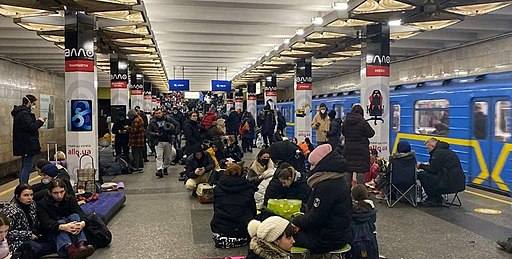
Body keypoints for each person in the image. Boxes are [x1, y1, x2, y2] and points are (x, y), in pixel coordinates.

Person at [292, 144, 352, 254]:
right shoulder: (338, 179)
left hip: (326, 239)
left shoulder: (326, 186)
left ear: (321, 165)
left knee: (283, 237)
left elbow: (314, 219)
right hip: (338, 235)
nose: (310, 168)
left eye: (313, 165)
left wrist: (295, 221)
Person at [37, 179, 95, 259]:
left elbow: (80, 213)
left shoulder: (70, 199)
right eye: (55, 193)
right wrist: (63, 227)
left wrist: (82, 223)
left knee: (75, 216)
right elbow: (46, 223)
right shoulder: (42, 204)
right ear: (49, 192)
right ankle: (70, 249)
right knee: (60, 222)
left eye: (62, 192)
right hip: (55, 232)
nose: (59, 196)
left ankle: (81, 245)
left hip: (73, 229)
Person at [210, 164, 257, 249]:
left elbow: (215, 209)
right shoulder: (248, 190)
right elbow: (253, 210)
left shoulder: (217, 189)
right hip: (241, 230)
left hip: (220, 229)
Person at [1, 184, 54, 257]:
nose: (30, 198)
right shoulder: (10, 211)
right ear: (17, 196)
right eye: (25, 195)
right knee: (34, 248)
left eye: (31, 195)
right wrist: (28, 235)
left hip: (35, 236)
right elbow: (7, 233)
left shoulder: (32, 205)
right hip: (17, 242)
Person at [417, 138, 466, 206]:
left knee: (422, 175)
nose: (427, 150)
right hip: (458, 183)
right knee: (430, 176)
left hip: (449, 184)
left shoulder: (438, 153)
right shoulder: (445, 150)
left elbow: (433, 170)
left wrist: (420, 166)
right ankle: (437, 197)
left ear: (432, 146)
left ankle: (433, 199)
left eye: (427, 148)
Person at [11, 94, 46, 184]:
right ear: (29, 103)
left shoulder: (21, 113)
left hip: (24, 144)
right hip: (27, 145)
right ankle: (24, 186)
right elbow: (31, 127)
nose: (34, 106)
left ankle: (22, 186)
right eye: (33, 103)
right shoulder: (24, 114)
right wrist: (40, 121)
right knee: (27, 166)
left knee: (24, 166)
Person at [342, 104, 375, 186]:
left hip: (348, 150)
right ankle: (361, 191)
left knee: (348, 169)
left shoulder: (346, 121)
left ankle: (346, 191)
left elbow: (343, 132)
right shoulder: (362, 122)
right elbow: (371, 133)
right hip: (361, 150)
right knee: (360, 170)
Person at [351, 184, 379, 259]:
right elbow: (373, 220)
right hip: (369, 235)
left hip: (354, 236)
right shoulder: (371, 208)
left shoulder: (351, 209)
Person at [147, 108, 177, 178]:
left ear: (162, 113)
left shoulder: (168, 118)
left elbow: (177, 124)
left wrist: (174, 132)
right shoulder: (152, 121)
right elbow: (149, 131)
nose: (158, 115)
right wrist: (155, 134)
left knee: (168, 157)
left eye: (159, 113)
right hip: (158, 141)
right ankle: (159, 170)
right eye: (156, 113)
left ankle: (165, 167)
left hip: (168, 140)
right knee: (159, 156)